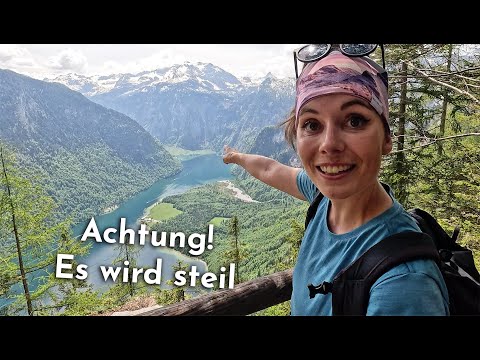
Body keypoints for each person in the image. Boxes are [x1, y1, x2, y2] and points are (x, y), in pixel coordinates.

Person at [223, 44, 450, 316]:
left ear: (387, 138)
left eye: (354, 120)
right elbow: (271, 170)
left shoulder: (404, 283)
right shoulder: (322, 197)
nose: (329, 145)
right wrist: (236, 157)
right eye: (312, 124)